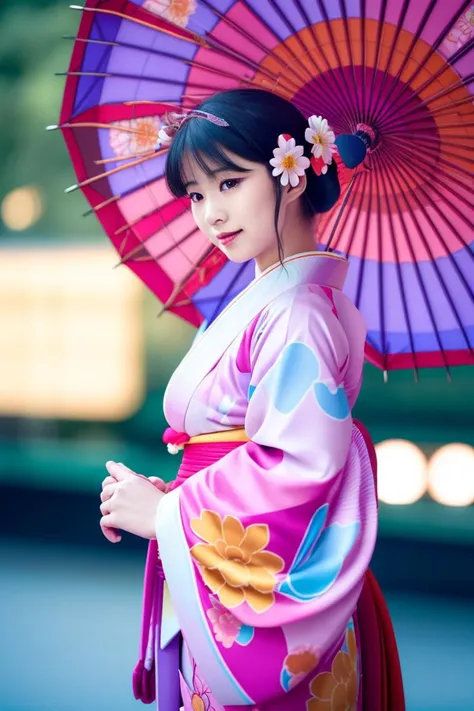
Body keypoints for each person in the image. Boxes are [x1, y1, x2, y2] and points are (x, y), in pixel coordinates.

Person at [99, 89, 404, 711]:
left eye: (229, 182)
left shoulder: (298, 315)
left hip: (262, 584)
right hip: (227, 564)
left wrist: (167, 517)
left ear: (289, 177)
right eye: (195, 194)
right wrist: (173, 499)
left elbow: (298, 466)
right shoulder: (276, 304)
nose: (210, 213)